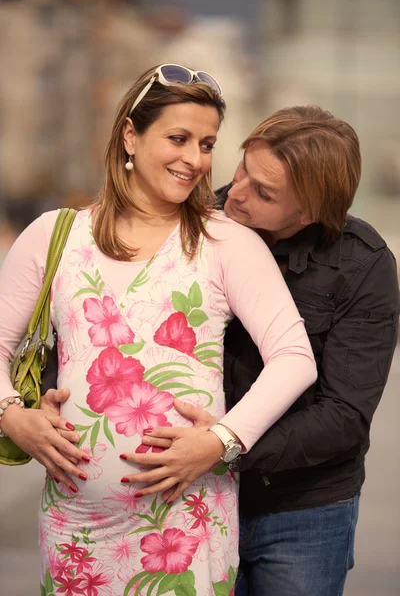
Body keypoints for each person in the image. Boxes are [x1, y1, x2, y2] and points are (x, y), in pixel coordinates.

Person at [0, 66, 317, 594]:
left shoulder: (227, 243)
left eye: (208, 143)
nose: (195, 159)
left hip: (189, 523)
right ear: (130, 134)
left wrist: (221, 441)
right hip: (77, 532)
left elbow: (294, 356)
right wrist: (12, 415)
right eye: (179, 138)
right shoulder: (54, 236)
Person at [124, 105, 400, 595]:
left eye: (265, 193)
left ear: (309, 212)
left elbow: (344, 416)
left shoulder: (365, 266)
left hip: (303, 510)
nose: (237, 194)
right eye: (243, 168)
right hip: (187, 492)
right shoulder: (194, 219)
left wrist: (222, 448)